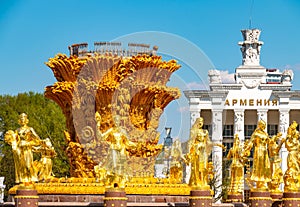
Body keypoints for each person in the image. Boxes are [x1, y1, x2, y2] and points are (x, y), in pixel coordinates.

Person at [185, 117, 214, 189]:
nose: (201, 123)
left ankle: (204, 181)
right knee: (197, 168)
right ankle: (197, 182)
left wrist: (216, 145)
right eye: (199, 121)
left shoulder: (205, 132)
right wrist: (188, 152)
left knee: (204, 167)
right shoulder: (193, 131)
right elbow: (190, 142)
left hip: (203, 152)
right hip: (197, 151)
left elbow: (208, 142)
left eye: (202, 121)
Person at [243, 120, 271, 190]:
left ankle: (263, 181)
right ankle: (259, 182)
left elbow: (270, 143)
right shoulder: (256, 134)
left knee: (265, 167)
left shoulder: (265, 134)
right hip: (258, 150)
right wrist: (247, 149)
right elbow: (251, 142)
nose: (264, 127)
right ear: (259, 125)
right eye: (262, 125)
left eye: (264, 125)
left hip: (265, 152)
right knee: (259, 166)